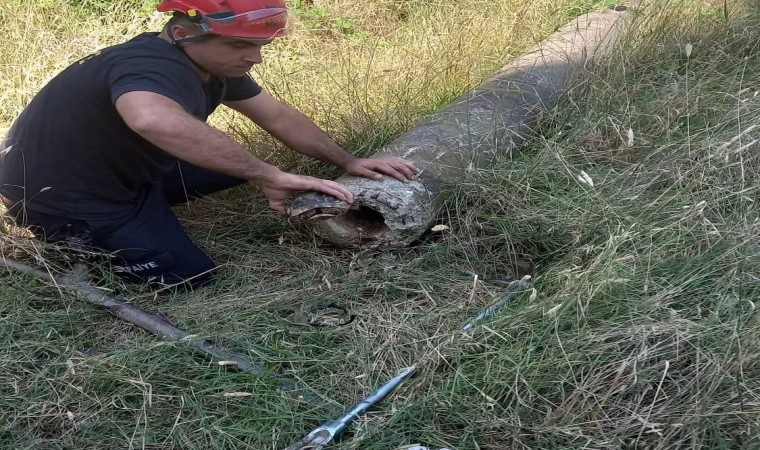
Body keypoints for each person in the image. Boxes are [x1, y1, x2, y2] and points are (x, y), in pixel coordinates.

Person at [0, 0, 418, 287]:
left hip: (118, 169)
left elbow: (276, 115)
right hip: (63, 195)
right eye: (241, 45)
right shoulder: (147, 64)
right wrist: (267, 175)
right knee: (188, 277)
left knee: (229, 166)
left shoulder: (208, 62)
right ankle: (79, 239)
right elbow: (150, 117)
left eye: (259, 46)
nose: (255, 57)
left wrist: (349, 160)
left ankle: (147, 213)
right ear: (182, 33)